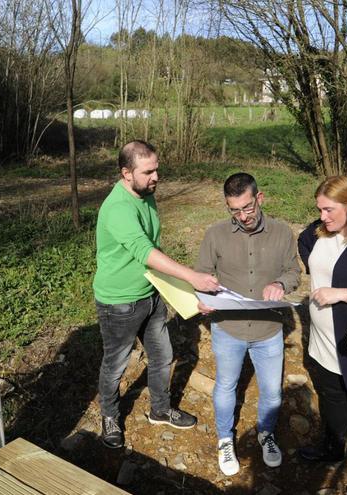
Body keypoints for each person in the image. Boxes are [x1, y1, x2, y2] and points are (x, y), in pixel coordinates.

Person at [93, 140, 220, 449]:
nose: (156, 177)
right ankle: (110, 416)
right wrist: (193, 277)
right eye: (148, 171)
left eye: (157, 170)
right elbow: (144, 250)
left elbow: (154, 248)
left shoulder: (145, 195)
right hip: (118, 302)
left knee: (163, 355)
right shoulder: (118, 208)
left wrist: (189, 294)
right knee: (115, 364)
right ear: (126, 173)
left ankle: (160, 410)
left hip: (150, 293)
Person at [195, 172, 301, 476]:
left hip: (268, 330)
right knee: (226, 386)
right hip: (228, 328)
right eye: (235, 211)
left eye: (247, 208)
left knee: (271, 390)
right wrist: (202, 297)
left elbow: (293, 271)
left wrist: (281, 283)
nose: (243, 216)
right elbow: (201, 275)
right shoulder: (215, 234)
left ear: (260, 198)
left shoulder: (282, 233)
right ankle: (225, 439)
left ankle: (266, 433)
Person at [296, 176, 347, 463]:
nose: (322, 216)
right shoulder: (318, 233)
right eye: (319, 209)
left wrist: (341, 293)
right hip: (321, 342)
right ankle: (332, 447)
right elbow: (304, 242)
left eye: (329, 210)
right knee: (331, 398)